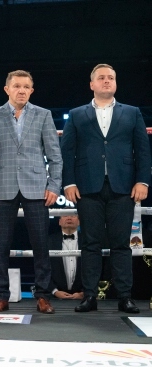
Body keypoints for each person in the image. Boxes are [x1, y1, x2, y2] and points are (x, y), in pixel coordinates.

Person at [61, 64, 150, 313]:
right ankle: (89, 296)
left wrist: (143, 181)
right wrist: (68, 182)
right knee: (90, 243)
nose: (107, 81)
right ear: (92, 84)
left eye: (111, 77)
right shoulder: (77, 114)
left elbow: (143, 149)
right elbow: (67, 151)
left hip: (123, 187)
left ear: (116, 83)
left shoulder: (132, 113)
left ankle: (124, 296)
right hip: (87, 187)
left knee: (122, 244)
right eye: (101, 78)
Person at [0, 70, 62, 314]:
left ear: (31, 90)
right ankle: (1, 296)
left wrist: (53, 185)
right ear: (7, 89)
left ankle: (42, 296)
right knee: (1, 246)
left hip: (37, 187)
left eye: (26, 86)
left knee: (41, 244)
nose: (21, 90)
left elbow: (54, 155)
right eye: (17, 86)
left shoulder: (43, 115)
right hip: (3, 187)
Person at [47, 215, 83, 299]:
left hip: (83, 297)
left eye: (73, 216)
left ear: (79, 222)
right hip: (54, 298)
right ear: (59, 222)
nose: (69, 218)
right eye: (65, 215)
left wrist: (84, 292)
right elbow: (43, 268)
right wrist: (54, 291)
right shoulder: (48, 241)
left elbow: (94, 268)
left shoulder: (88, 241)